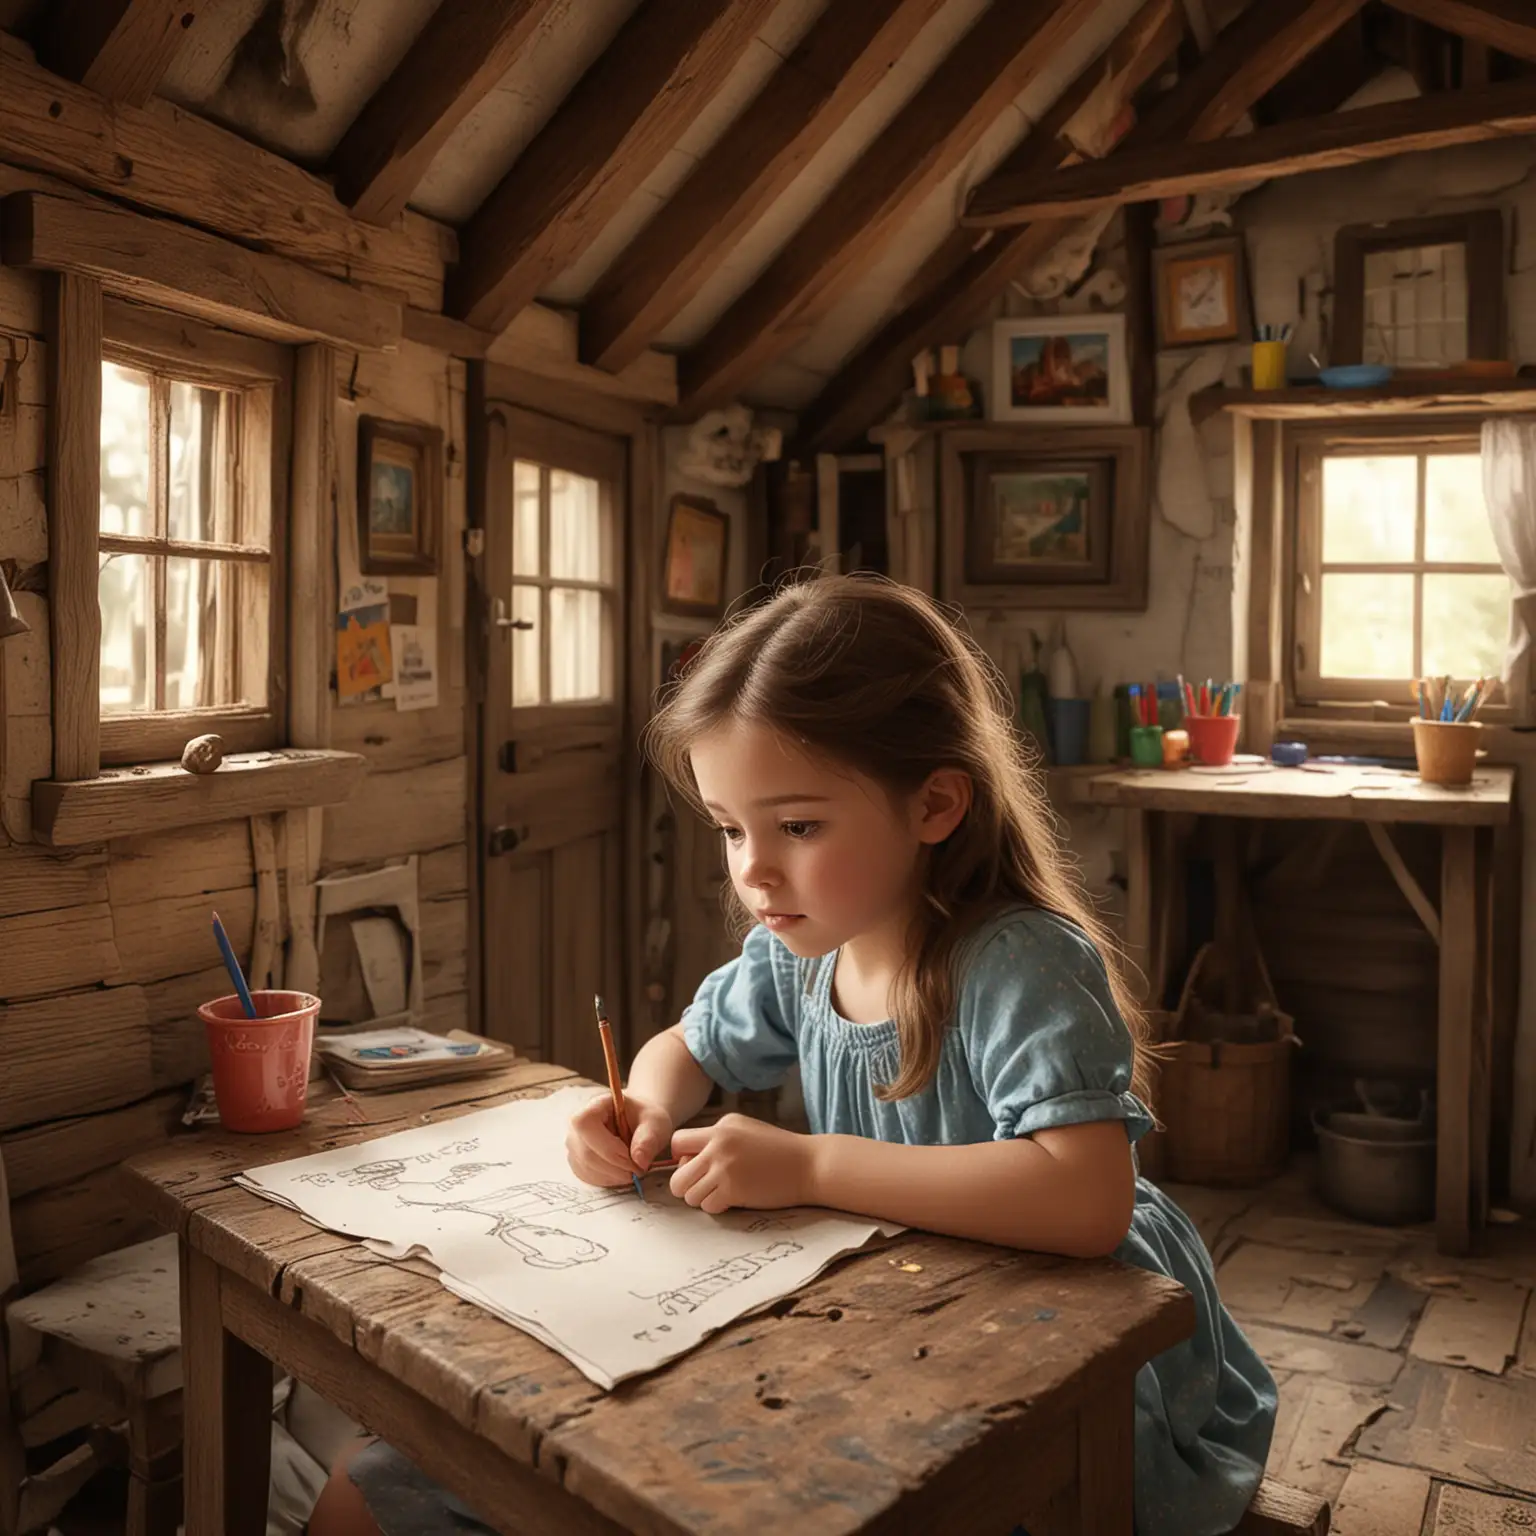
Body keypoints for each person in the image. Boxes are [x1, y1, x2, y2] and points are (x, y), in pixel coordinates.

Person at [310, 574, 1275, 1536]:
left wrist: (812, 1165)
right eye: (731, 828)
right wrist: (642, 1104)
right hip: (898, 1302)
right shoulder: (797, 952)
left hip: (1061, 1331)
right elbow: (685, 1044)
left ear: (935, 804)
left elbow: (1086, 1201)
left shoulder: (1015, 962)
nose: (753, 869)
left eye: (799, 827)